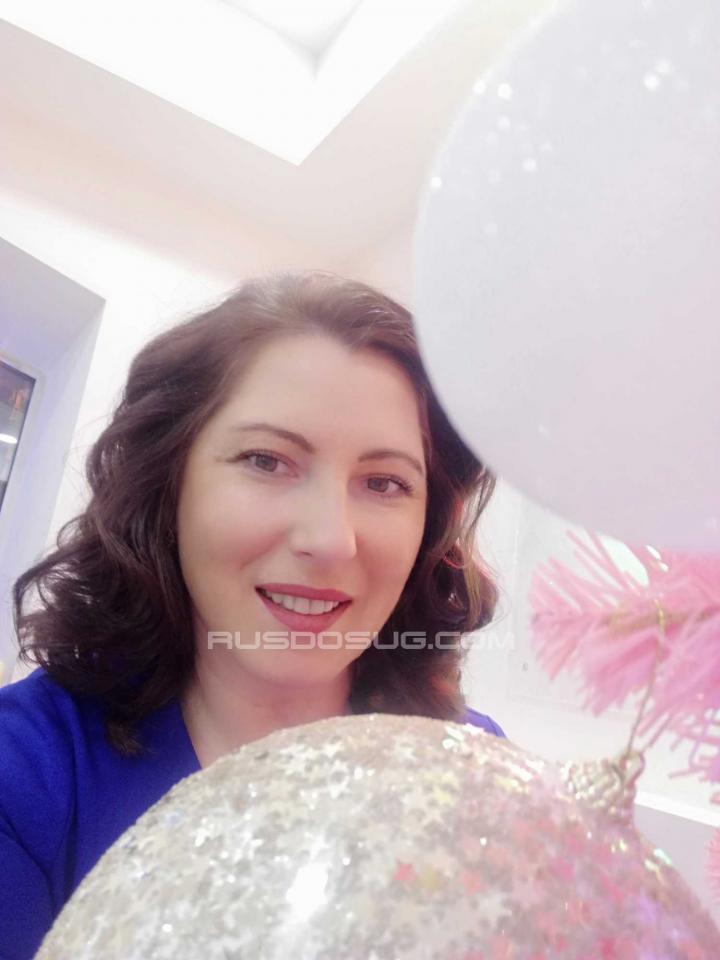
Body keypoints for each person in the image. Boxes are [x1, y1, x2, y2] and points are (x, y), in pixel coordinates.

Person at [0, 270, 504, 959]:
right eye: (267, 461)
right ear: (169, 485)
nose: (330, 539)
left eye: (385, 482)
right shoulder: (27, 776)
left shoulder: (476, 771)